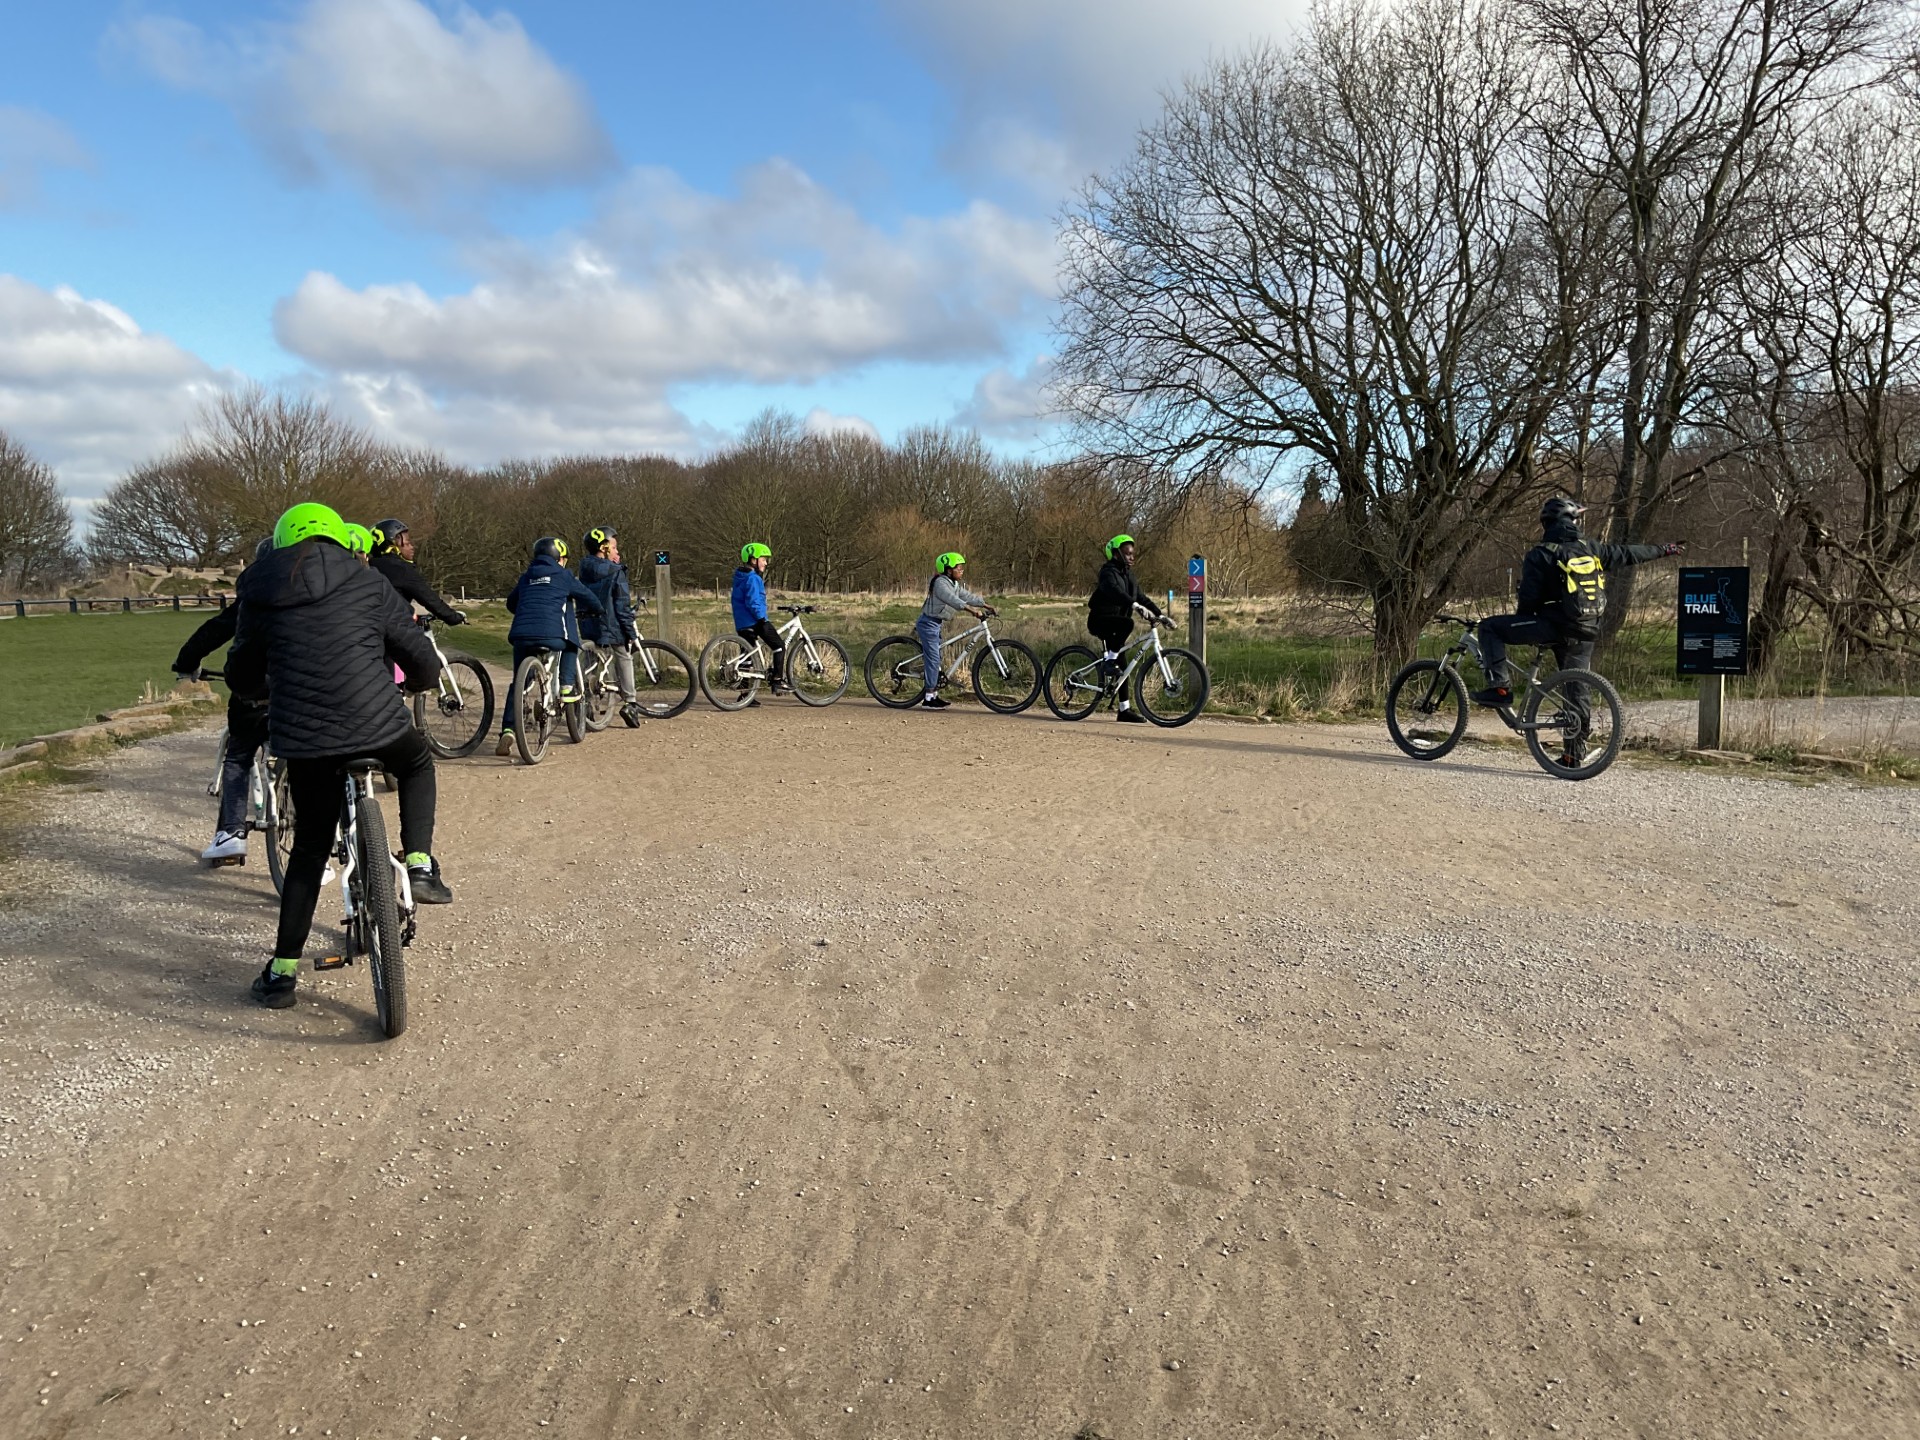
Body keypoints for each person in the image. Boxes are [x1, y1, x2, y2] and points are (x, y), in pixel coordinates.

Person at [226, 502, 452, 1011]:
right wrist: (418, 683)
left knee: (308, 846)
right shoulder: (370, 582)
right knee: (416, 763)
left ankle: (282, 974)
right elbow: (417, 654)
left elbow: (241, 673)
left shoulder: (259, 590)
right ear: (337, 537)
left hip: (305, 741)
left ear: (284, 543)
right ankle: (418, 863)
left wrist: (267, 691)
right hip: (379, 723)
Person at [1469, 497, 1684, 754]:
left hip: (1552, 626)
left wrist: (1522, 622)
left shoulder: (1541, 553)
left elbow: (1528, 599)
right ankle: (1573, 755)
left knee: (1489, 628)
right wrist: (1664, 549)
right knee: (1577, 690)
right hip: (1586, 629)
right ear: (1573, 522)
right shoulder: (1591, 549)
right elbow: (1628, 553)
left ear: (1547, 523)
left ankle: (1500, 689)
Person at [174, 537, 275, 865]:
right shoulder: (312, 597)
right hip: (295, 692)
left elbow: (213, 631)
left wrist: (186, 663)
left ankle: (231, 833)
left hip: (253, 692)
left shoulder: (252, 600)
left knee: (238, 758)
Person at [496, 536, 603, 756]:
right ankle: (566, 687)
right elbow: (587, 597)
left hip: (521, 636)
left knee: (519, 683)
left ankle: (508, 730)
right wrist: (598, 609)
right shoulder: (564, 575)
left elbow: (511, 603)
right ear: (559, 558)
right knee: (571, 643)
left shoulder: (526, 577)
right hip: (552, 635)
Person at [1087, 534, 1163, 723]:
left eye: (1132, 553)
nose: (1131, 557)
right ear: (1115, 554)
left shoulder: (1129, 575)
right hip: (1101, 620)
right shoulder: (1107, 572)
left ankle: (1124, 710)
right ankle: (1108, 662)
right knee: (1127, 624)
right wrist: (1134, 606)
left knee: (1124, 665)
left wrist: (1159, 614)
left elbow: (1142, 597)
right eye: (1127, 553)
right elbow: (1114, 591)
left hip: (1117, 622)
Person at [577, 525, 643, 727]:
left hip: (587, 622)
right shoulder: (616, 572)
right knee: (623, 654)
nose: (618, 552)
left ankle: (586, 702)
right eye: (614, 547)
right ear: (604, 549)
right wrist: (631, 633)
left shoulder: (583, 568)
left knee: (592, 659)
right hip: (610, 624)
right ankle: (630, 703)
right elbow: (621, 606)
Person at [915, 552, 994, 710]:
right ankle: (929, 698)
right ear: (948, 570)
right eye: (959, 568)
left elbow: (967, 596)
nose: (962, 570)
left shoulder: (953, 584)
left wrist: (985, 605)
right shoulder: (940, 584)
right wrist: (973, 612)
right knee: (933, 659)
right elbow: (954, 600)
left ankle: (935, 695)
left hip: (936, 624)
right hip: (928, 624)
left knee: (938, 657)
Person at [369, 518, 467, 627]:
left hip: (368, 628)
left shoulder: (368, 566)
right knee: (421, 644)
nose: (412, 547)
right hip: (390, 632)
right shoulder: (401, 569)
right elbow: (429, 599)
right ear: (393, 545)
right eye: (407, 542)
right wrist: (453, 618)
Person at [730, 543, 787, 702]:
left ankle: (745, 696)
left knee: (747, 657)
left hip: (742, 622)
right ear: (754, 560)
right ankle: (777, 681)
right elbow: (754, 603)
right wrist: (762, 619)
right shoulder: (753, 578)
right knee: (779, 646)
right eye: (763, 559)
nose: (766, 563)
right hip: (754, 620)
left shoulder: (739, 576)